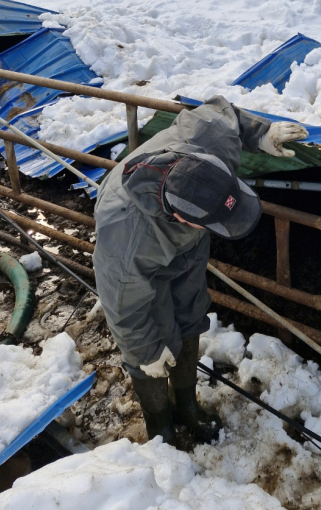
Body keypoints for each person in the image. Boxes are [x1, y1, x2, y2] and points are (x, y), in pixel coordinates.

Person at [93, 95, 308, 445]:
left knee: (190, 308)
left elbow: (224, 114)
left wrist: (262, 133)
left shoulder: (209, 139)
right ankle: (160, 426)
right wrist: (146, 353)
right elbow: (123, 307)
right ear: (184, 217)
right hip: (150, 246)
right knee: (154, 335)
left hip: (189, 240)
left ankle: (186, 403)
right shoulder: (126, 239)